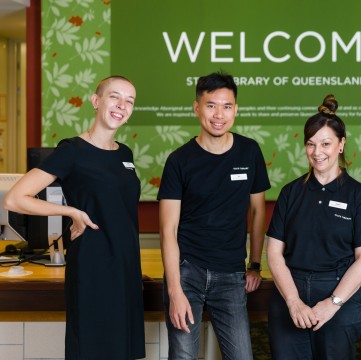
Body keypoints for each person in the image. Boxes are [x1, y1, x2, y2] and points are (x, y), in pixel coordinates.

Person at [3, 76, 145, 359]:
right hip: (93, 266)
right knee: (93, 349)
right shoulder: (73, 150)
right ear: (96, 101)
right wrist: (70, 211)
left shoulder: (125, 154)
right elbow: (15, 198)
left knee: (122, 350)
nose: (122, 105)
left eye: (129, 101)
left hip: (125, 267)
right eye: (114, 97)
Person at [158, 71, 271, 360]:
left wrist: (255, 264)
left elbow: (258, 211)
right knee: (183, 356)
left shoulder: (249, 151)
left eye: (226, 106)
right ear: (197, 108)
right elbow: (168, 230)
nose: (219, 114)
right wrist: (174, 291)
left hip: (232, 274)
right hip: (187, 272)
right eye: (211, 105)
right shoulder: (179, 161)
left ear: (236, 109)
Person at [266, 94, 361, 359]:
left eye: (325, 143)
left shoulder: (359, 196)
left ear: (341, 145)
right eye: (310, 144)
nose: (317, 152)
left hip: (338, 298)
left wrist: (332, 304)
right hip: (290, 296)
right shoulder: (290, 193)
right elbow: (274, 253)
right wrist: (293, 302)